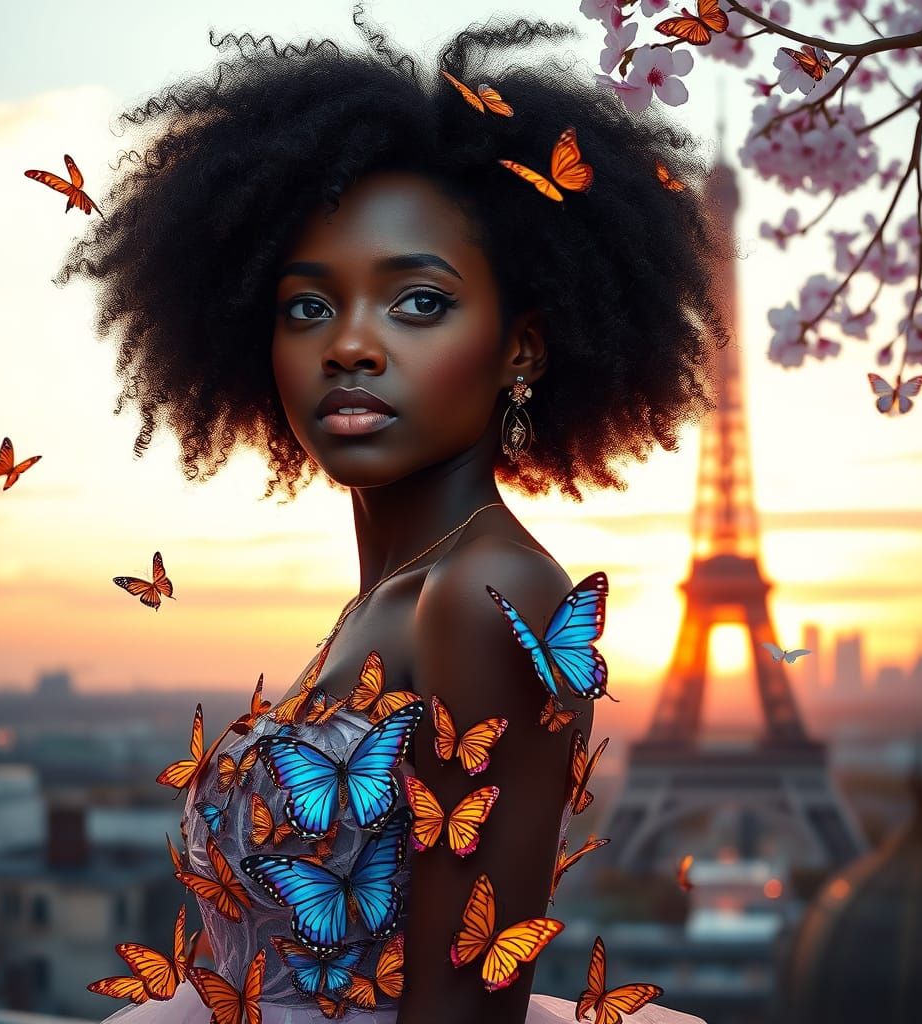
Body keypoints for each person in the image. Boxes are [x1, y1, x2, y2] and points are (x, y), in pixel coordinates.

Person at [60, 4, 730, 1022]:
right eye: (307, 306)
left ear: (522, 347)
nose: (349, 346)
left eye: (418, 301)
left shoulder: (487, 593)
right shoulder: (393, 599)